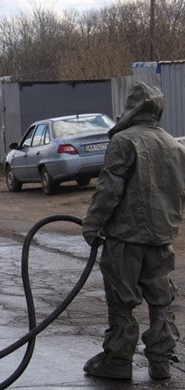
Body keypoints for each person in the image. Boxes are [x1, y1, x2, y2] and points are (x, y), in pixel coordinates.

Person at [82, 81, 185, 380]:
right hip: (161, 239)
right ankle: (161, 362)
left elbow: (109, 190)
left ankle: (118, 360)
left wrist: (92, 224)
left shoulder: (124, 141)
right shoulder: (174, 145)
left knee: (122, 301)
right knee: (161, 301)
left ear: (131, 107)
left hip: (126, 239)